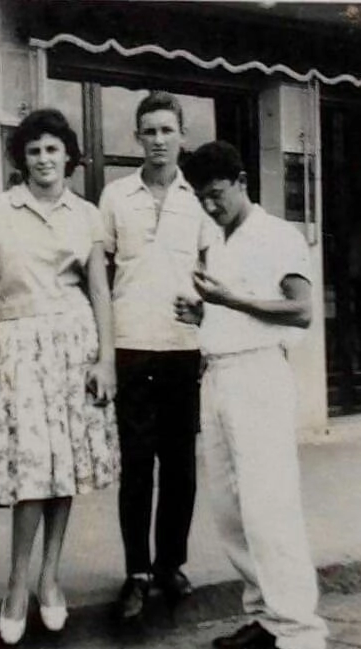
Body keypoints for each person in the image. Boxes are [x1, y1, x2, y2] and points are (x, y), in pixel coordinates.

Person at [0, 108, 120, 644]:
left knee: (63, 464)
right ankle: (18, 581)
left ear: (68, 156)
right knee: (32, 466)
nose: (43, 159)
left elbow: (99, 292)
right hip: (20, 343)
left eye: (52, 149)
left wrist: (106, 359)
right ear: (22, 158)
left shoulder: (86, 214)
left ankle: (50, 577)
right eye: (34, 150)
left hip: (73, 342)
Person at [176, 140, 328, 649]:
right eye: (200, 197)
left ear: (241, 181)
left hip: (260, 376)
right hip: (219, 375)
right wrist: (202, 313)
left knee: (269, 510)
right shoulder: (218, 240)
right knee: (230, 509)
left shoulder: (277, 234)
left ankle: (301, 636)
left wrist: (229, 303)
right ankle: (264, 616)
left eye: (215, 194)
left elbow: (301, 310)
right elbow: (233, 308)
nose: (209, 206)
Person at [99, 91, 217, 622]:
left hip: (182, 350)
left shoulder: (201, 201)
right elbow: (97, 274)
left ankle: (170, 563)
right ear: (137, 137)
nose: (159, 140)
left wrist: (209, 325)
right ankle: (137, 573)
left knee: (181, 468)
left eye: (168, 130)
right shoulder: (115, 196)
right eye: (149, 131)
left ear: (182, 136)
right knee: (136, 467)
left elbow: (218, 276)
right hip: (129, 347)